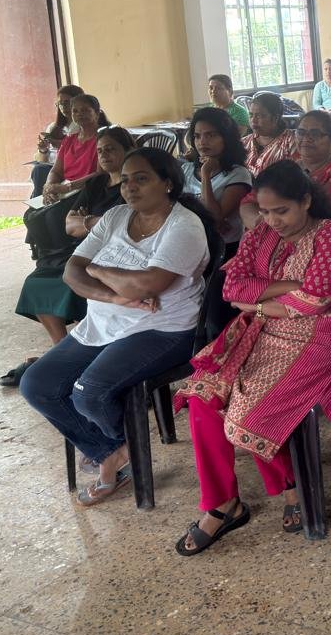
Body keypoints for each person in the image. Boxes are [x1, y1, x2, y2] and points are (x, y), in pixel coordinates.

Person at [172, 160, 331, 555]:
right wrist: (289, 286)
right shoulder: (262, 232)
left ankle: (292, 485)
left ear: (306, 200)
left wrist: (259, 300)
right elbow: (232, 288)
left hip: (319, 338)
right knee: (203, 398)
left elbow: (315, 302)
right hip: (262, 329)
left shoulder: (330, 235)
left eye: (282, 210)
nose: (273, 220)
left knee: (246, 414)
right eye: (266, 211)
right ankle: (222, 504)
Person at [19, 148, 214, 505]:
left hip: (164, 329)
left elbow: (147, 286)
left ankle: (112, 454)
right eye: (125, 180)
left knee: (89, 392)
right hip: (104, 321)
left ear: (167, 183)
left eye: (141, 178)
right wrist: (114, 296)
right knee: (37, 383)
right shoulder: (116, 216)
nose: (130, 187)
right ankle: (113, 449)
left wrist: (97, 269)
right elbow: (72, 272)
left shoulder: (184, 226)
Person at [4, 126, 136, 388]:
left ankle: (78, 357)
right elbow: (69, 224)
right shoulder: (96, 183)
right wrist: (100, 222)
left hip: (114, 254)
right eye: (100, 151)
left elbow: (127, 224)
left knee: (71, 281)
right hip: (83, 248)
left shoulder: (132, 185)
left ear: (128, 151)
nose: (104, 155)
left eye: (111, 149)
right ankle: (62, 350)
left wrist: (87, 222)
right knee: (38, 280)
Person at [182, 107, 253, 249]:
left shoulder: (238, 174)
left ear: (226, 138)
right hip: (190, 242)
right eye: (197, 136)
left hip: (223, 248)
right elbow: (172, 207)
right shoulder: (186, 169)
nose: (202, 142)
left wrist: (205, 174)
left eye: (210, 135)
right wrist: (207, 221)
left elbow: (215, 217)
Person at [42, 93, 111, 204]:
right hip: (65, 190)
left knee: (52, 213)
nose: (79, 114)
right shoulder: (69, 140)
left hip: (88, 189)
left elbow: (100, 173)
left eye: (85, 110)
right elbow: (55, 171)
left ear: (97, 113)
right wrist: (49, 186)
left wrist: (68, 187)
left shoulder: (104, 138)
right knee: (33, 213)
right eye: (75, 111)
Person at [32, 84, 84, 197]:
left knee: (40, 170)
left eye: (67, 102)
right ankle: (39, 201)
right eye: (60, 103)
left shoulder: (82, 126)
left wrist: (61, 145)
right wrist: (43, 150)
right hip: (51, 168)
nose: (63, 107)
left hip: (68, 169)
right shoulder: (53, 127)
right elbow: (43, 160)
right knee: (38, 169)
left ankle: (39, 202)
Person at [242, 92, 298, 179]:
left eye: (259, 116)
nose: (253, 120)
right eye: (251, 115)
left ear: (275, 118)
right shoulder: (243, 143)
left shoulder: (291, 142)